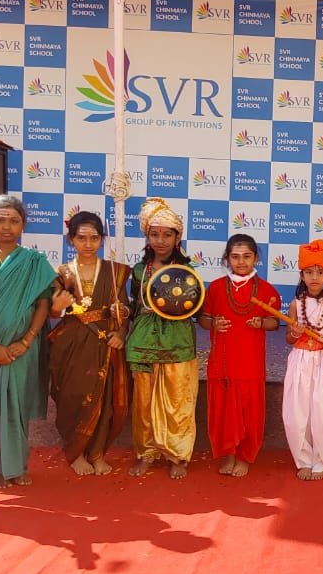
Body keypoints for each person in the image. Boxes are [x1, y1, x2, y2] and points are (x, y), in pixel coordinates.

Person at [0, 195, 55, 488]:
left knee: (16, 404)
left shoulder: (34, 262)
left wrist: (26, 341)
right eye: (0, 219)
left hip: (24, 346)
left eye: (14, 221)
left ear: (23, 225)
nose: (6, 226)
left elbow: (43, 305)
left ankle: (16, 467)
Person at [127, 198, 206, 480]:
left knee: (178, 402)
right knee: (143, 405)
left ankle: (178, 455)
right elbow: (134, 307)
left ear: (177, 238)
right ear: (147, 236)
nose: (160, 241)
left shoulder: (188, 273)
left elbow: (198, 311)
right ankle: (146, 453)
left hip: (178, 343)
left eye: (167, 235)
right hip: (143, 344)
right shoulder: (139, 271)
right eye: (154, 234)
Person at [47, 211, 130, 477]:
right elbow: (53, 313)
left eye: (94, 238)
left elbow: (125, 310)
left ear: (102, 239)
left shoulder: (115, 271)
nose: (88, 243)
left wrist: (121, 333)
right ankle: (76, 453)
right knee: (72, 397)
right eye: (81, 238)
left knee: (105, 400)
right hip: (72, 345)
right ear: (71, 239)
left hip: (106, 342)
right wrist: (57, 307)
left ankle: (96, 453)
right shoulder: (62, 273)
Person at [204, 233, 280, 478]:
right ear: (227, 258)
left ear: (256, 258)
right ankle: (228, 454)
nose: (241, 262)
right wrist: (214, 323)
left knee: (249, 408)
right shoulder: (216, 288)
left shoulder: (266, 290)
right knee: (224, 408)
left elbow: (275, 323)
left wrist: (261, 323)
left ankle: (245, 456)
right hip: (223, 360)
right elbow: (203, 318)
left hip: (249, 361)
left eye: (247, 256)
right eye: (235, 257)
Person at [282, 239, 323, 481]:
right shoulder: (296, 304)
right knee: (296, 413)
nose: (314, 277)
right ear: (302, 275)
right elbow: (289, 338)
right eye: (309, 272)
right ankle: (303, 460)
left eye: (320, 272)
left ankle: (322, 461)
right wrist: (295, 333)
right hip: (300, 361)